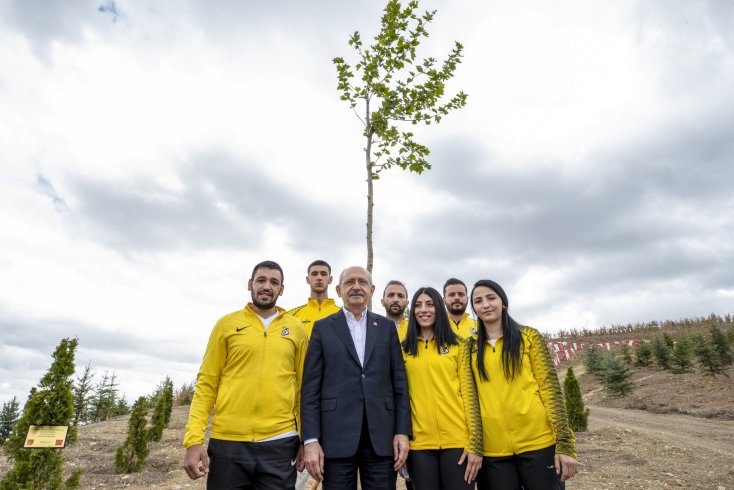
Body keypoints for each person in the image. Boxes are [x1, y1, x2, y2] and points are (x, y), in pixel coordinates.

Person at [182, 260, 308, 489]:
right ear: (250, 284)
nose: (267, 286)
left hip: (280, 443)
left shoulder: (296, 329)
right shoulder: (226, 324)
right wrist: (193, 441)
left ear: (282, 289)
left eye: (274, 282)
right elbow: (207, 384)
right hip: (228, 442)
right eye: (261, 280)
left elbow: (303, 389)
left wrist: (305, 439)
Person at [301, 266, 412, 489]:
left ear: (371, 290)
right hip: (335, 438)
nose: (356, 287)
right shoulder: (322, 329)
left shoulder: (386, 328)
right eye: (350, 282)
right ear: (339, 289)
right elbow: (310, 388)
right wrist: (311, 440)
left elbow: (399, 384)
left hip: (381, 438)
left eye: (362, 282)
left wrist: (402, 431)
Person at [469, 279, 578, 490]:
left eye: (491, 298)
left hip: (538, 442)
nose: (485, 305)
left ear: (503, 302)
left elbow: (551, 391)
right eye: (478, 301)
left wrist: (565, 445)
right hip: (493, 451)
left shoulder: (529, 337)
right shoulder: (470, 348)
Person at [401, 287, 483, 490]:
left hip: (458, 443)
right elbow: (398, 399)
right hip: (419, 445)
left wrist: (475, 444)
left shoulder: (459, 346)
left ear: (438, 307)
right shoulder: (402, 350)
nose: (424, 310)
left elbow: (470, 396)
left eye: (429, 304)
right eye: (418, 305)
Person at [288, 260, 342, 338]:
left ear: (330, 279)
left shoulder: (342, 314)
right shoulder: (292, 315)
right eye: (314, 274)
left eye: (323, 274)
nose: (319, 277)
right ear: (307, 279)